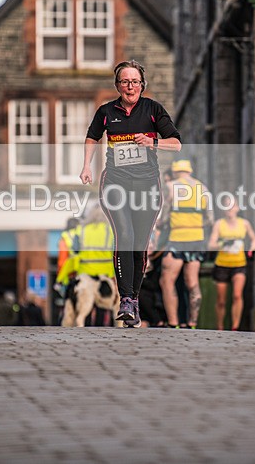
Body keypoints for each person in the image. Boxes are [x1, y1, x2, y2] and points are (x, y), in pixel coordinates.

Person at [80, 60, 181, 327]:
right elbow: (92, 136)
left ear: (142, 85)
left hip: (147, 186)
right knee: (123, 235)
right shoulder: (106, 111)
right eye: (125, 81)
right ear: (117, 86)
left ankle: (133, 302)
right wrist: (86, 166)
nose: (130, 86)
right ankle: (125, 298)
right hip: (115, 183)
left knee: (139, 244)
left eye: (134, 81)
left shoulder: (153, 110)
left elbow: (177, 143)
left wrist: (153, 141)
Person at [158, 159, 213, 328]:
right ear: (190, 172)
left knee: (167, 280)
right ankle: (192, 322)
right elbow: (210, 219)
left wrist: (160, 225)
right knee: (192, 282)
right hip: (196, 238)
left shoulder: (170, 187)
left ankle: (173, 322)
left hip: (177, 238)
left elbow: (165, 215)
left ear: (175, 172)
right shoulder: (203, 189)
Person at [207, 199, 255, 331]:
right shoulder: (219, 224)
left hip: (239, 264)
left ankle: (235, 327)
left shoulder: (244, 223)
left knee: (237, 295)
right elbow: (211, 244)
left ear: (238, 208)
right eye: (227, 205)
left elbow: (254, 239)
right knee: (221, 300)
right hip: (222, 264)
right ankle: (220, 326)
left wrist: (252, 249)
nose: (230, 208)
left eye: (232, 205)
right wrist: (222, 244)